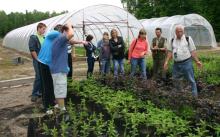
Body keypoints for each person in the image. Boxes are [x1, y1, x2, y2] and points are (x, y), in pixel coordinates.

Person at [164, 25, 202, 97]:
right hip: (176, 64)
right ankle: (180, 96)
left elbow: (192, 51)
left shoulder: (188, 39)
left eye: (181, 31)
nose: (179, 33)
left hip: (186, 63)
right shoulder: (172, 40)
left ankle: (195, 97)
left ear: (183, 31)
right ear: (175, 32)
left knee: (191, 80)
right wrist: (166, 62)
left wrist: (197, 61)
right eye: (178, 32)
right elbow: (169, 52)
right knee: (175, 79)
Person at [37, 24, 62, 112]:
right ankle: (47, 107)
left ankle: (52, 103)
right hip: (43, 63)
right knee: (47, 86)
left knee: (51, 85)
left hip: (49, 64)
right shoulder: (54, 33)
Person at [50, 23, 74, 111]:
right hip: (59, 70)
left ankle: (58, 105)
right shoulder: (60, 39)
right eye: (67, 31)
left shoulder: (56, 40)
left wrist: (81, 42)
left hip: (56, 69)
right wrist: (69, 25)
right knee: (60, 90)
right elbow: (71, 34)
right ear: (64, 31)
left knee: (57, 88)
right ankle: (62, 110)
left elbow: (71, 40)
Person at [28, 22, 46, 102]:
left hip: (44, 60)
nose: (44, 30)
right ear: (38, 28)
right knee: (38, 76)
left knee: (43, 76)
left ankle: (41, 92)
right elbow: (32, 50)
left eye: (45, 29)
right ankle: (34, 94)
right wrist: (37, 59)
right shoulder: (34, 37)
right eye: (43, 29)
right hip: (37, 60)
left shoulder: (44, 38)